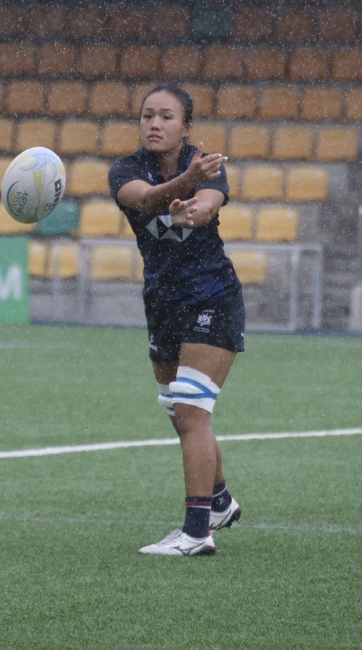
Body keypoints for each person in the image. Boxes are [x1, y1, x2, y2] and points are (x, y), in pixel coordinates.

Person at [107, 84, 243, 557]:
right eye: (147, 115)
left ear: (186, 127)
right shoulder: (125, 171)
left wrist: (193, 213)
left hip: (212, 295)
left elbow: (207, 206)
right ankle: (220, 501)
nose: (154, 124)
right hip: (162, 303)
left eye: (166, 116)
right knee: (177, 408)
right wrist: (181, 189)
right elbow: (145, 200)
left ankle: (196, 532)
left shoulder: (207, 164)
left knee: (191, 412)